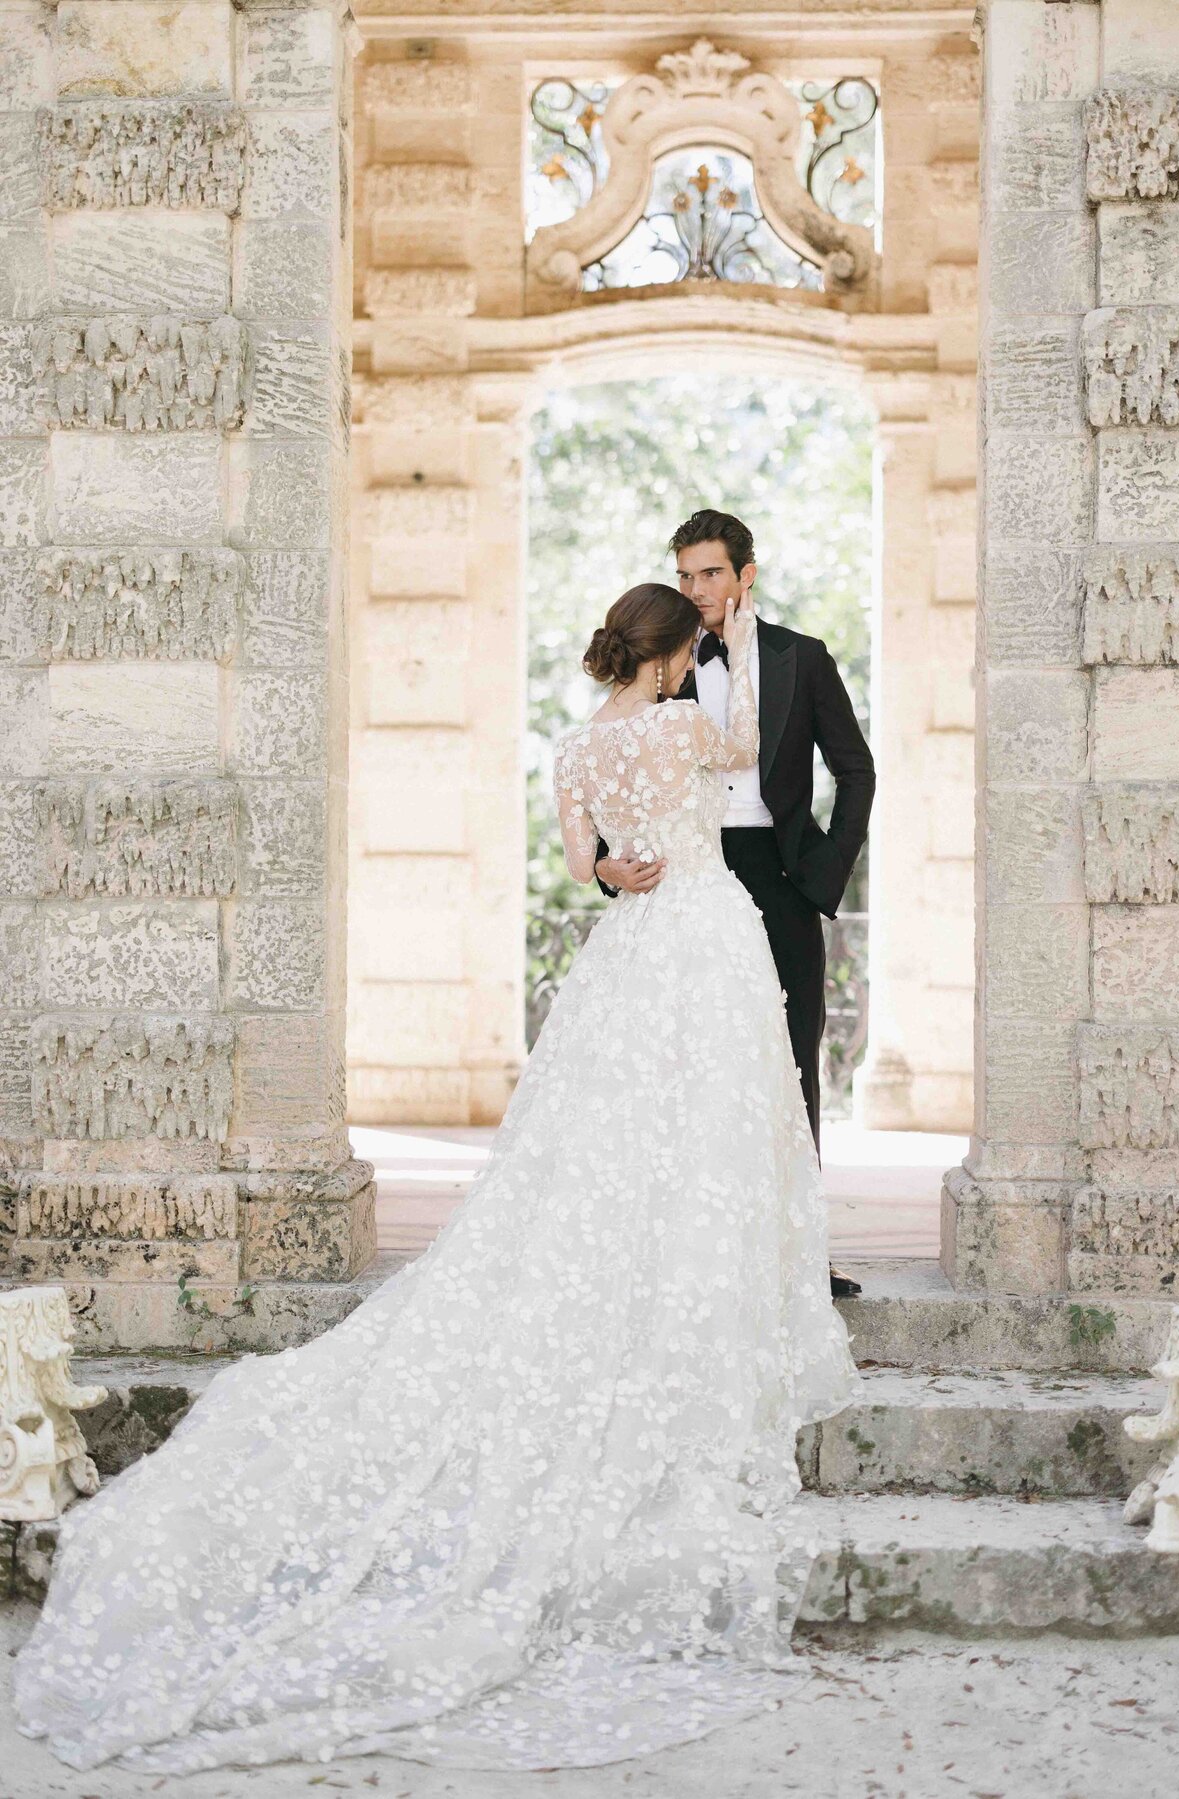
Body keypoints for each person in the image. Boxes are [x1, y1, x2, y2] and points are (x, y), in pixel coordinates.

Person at [13, 581, 861, 1778]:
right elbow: (747, 756)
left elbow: (593, 867)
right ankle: (696, 1313)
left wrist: (625, 869)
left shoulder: (578, 747)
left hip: (632, 950)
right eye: (687, 650)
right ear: (674, 655)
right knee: (715, 1136)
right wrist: (727, 651)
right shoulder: (687, 723)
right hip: (711, 939)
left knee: (601, 1145)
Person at [595, 511, 875, 1299]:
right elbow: (602, 771)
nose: (694, 590)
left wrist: (822, 874)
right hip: (681, 876)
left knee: (790, 1060)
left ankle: (799, 1256)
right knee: (676, 1063)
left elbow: (857, 770)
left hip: (777, 874)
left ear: (746, 574)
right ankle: (682, 1253)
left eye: (709, 574)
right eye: (683, 575)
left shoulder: (803, 659)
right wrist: (602, 864)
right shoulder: (653, 662)